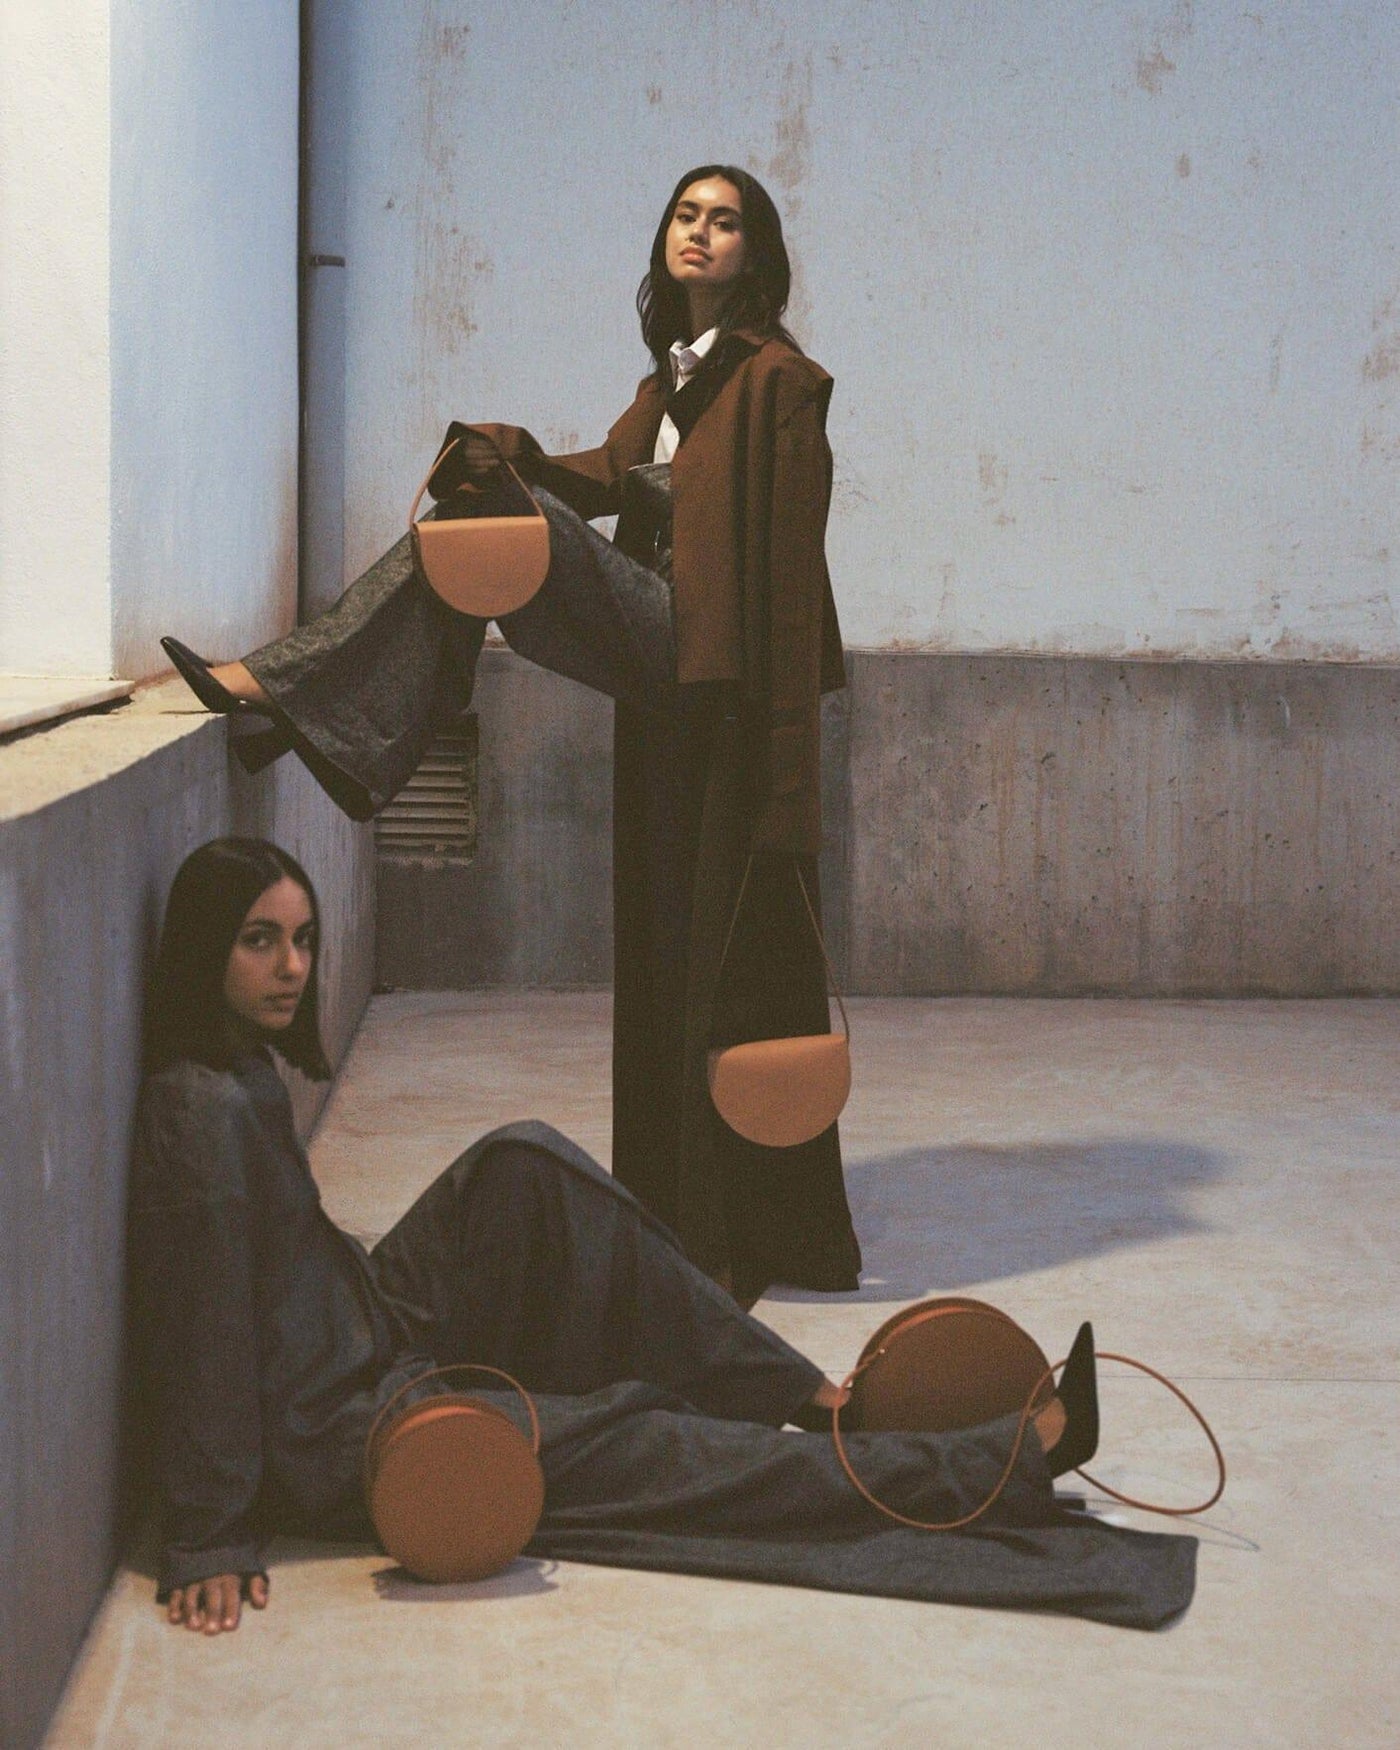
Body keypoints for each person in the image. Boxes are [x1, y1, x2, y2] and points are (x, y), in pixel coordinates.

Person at [129, 838, 1197, 1637]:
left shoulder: (236, 1069)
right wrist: (210, 1532)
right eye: (259, 941)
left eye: (303, 939)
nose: (291, 967)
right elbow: (202, 1334)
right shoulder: (199, 1116)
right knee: (637, 1435)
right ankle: (993, 1464)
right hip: (347, 1427)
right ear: (204, 949)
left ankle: (814, 1399)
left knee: (523, 1164)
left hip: (362, 1326)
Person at [159, 165, 861, 1304]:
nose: (699, 233)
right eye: (685, 215)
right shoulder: (669, 380)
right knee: (478, 514)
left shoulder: (782, 383)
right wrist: (509, 451)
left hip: (708, 658)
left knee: (512, 527)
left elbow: (786, 588)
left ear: (756, 252)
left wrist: (787, 784)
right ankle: (294, 703)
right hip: (663, 659)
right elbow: (602, 477)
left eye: (724, 221)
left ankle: (285, 694)